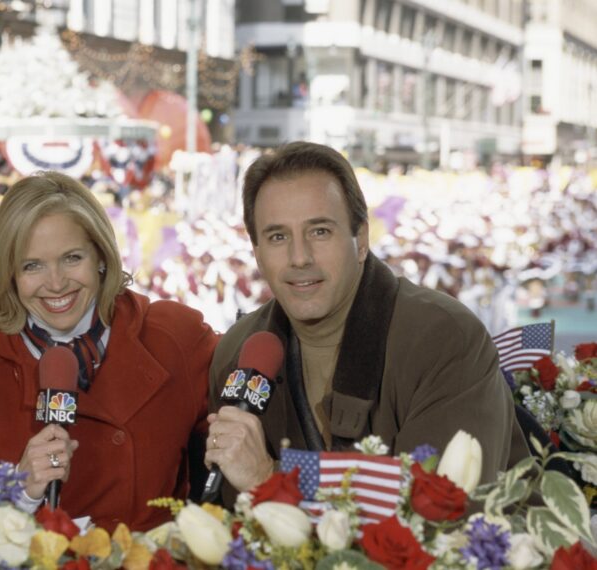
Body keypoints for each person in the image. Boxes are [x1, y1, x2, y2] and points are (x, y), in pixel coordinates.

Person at [205, 142, 529, 501]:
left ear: (361, 240)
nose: (299, 257)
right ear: (258, 254)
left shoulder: (444, 340)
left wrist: (267, 480)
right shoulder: (238, 352)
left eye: (320, 231)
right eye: (278, 237)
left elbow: (444, 519)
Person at [0, 172, 217, 531]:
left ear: (101, 256)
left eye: (72, 258)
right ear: (8, 274)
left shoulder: (175, 337)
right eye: (32, 266)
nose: (56, 283)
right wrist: (20, 491)